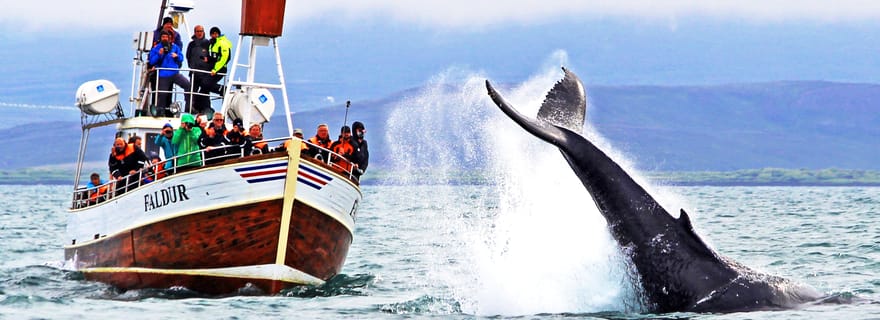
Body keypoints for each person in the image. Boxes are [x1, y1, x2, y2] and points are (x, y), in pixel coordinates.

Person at [149, 30, 192, 117]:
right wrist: (159, 54)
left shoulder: (175, 47)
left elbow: (181, 58)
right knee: (162, 93)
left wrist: (177, 56)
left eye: (166, 37)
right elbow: (152, 61)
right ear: (160, 38)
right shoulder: (156, 48)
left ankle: (189, 106)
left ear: (169, 38)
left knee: (187, 85)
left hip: (174, 73)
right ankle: (160, 112)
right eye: (163, 37)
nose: (164, 38)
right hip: (163, 74)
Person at [186, 25, 213, 115]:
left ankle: (206, 111)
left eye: (201, 31)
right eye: (197, 31)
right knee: (192, 92)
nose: (199, 33)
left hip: (205, 73)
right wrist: (192, 66)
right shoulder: (191, 44)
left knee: (205, 92)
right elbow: (188, 56)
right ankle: (191, 109)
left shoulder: (208, 43)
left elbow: (211, 57)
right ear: (195, 32)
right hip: (194, 72)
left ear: (203, 32)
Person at [201, 26, 232, 97]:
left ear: (218, 34)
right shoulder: (212, 44)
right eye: (213, 34)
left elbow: (225, 58)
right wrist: (207, 59)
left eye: (216, 33)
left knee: (206, 84)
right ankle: (200, 103)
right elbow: (214, 57)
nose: (214, 35)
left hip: (220, 69)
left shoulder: (222, 43)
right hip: (213, 68)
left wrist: (215, 69)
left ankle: (223, 89)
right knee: (203, 84)